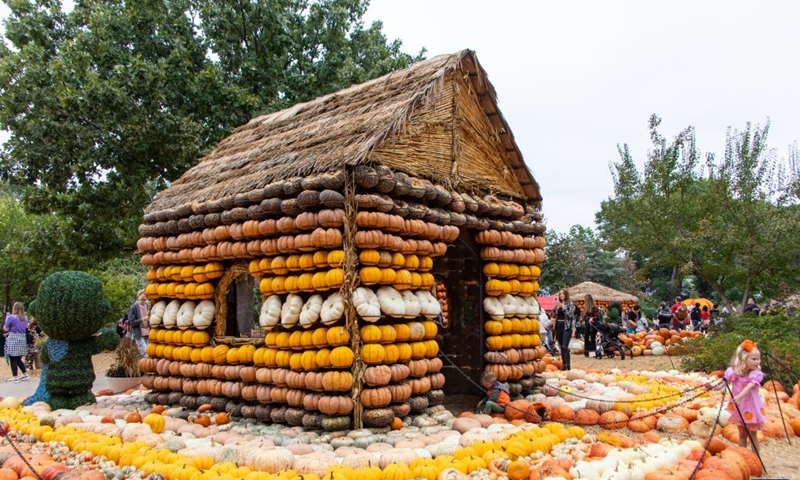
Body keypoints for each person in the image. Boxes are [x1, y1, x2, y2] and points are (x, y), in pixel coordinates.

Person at [724, 339, 765, 453]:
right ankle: (743, 456)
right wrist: (712, 386)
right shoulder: (734, 372)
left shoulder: (756, 374)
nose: (757, 362)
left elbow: (749, 387)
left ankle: (755, 458)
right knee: (742, 435)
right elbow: (724, 383)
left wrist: (740, 396)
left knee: (753, 436)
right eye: (754, 359)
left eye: (758, 359)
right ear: (743, 359)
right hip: (740, 407)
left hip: (751, 407)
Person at [3, 302, 30, 382]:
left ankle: (15, 377)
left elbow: (5, 329)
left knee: (13, 358)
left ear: (14, 308)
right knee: (18, 358)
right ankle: (25, 374)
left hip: (13, 338)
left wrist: (6, 320)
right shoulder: (25, 318)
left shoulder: (11, 317)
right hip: (22, 338)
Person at [553, 289, 577, 370]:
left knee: (564, 346)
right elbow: (553, 315)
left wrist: (563, 307)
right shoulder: (558, 304)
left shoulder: (570, 304)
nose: (561, 295)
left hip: (566, 326)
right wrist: (555, 307)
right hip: (558, 325)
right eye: (560, 294)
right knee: (560, 346)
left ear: (566, 294)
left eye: (563, 293)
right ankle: (564, 364)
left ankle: (568, 365)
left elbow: (570, 315)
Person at [126, 290, 151, 356]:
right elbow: (132, 323)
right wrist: (143, 319)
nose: (145, 295)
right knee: (146, 354)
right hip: (139, 334)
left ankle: (141, 365)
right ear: (139, 296)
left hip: (147, 333)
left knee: (148, 353)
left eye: (146, 294)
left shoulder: (148, 305)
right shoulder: (134, 307)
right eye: (143, 294)